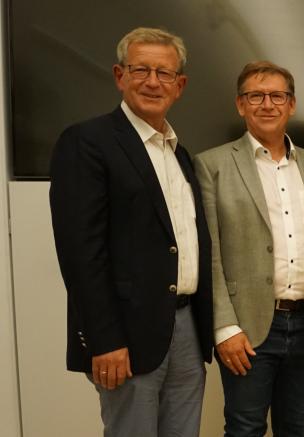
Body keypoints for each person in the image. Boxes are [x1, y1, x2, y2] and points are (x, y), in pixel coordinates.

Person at [49, 27, 213, 436]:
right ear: (120, 75)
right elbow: (80, 252)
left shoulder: (179, 153)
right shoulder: (88, 142)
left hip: (187, 330)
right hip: (126, 334)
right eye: (141, 70)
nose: (153, 82)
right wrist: (103, 339)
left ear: (180, 85)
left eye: (164, 73)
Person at [194, 61, 304, 437]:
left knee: (298, 428)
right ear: (241, 104)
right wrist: (223, 326)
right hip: (247, 329)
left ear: (291, 104)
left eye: (276, 96)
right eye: (256, 96)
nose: (266, 104)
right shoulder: (212, 166)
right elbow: (211, 254)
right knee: (244, 429)